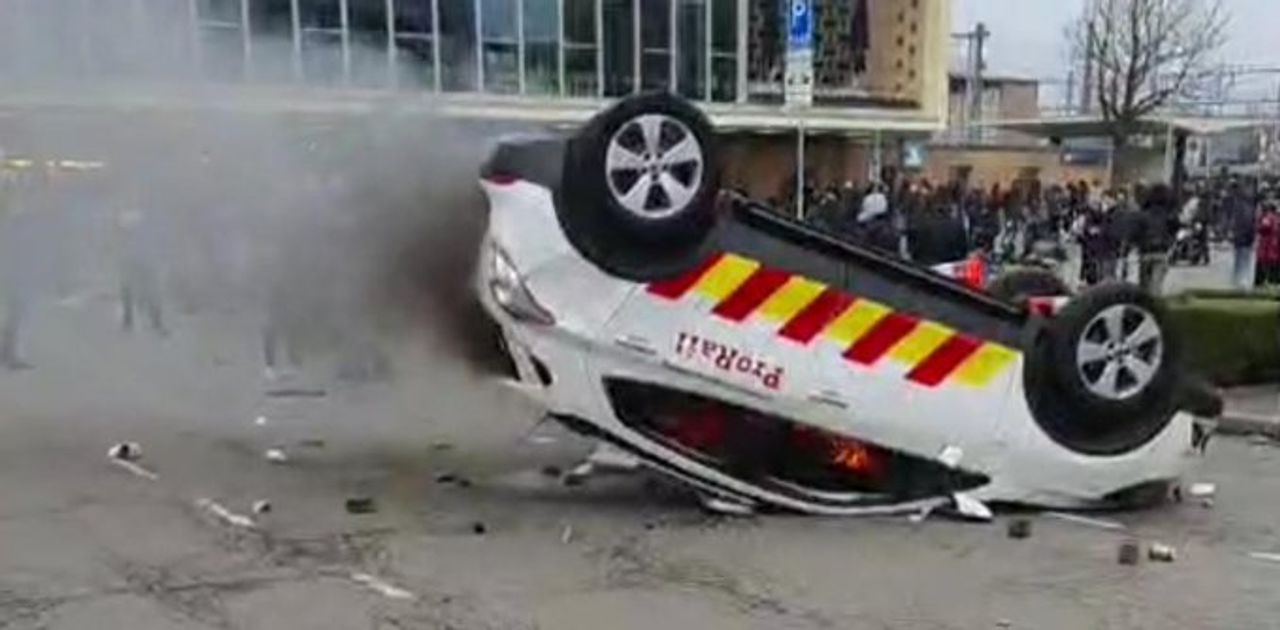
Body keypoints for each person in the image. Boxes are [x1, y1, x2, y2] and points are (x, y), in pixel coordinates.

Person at [1137, 184, 1177, 294]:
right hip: (1162, 252)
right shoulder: (1169, 215)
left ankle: (1144, 307)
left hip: (1145, 252)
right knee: (1156, 286)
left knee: (1144, 286)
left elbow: (1137, 232)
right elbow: (1174, 230)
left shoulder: (1143, 214)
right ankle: (1154, 306)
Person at [1227, 183, 1259, 288]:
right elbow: (1248, 222)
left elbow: (1252, 222)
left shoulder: (1246, 207)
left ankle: (1240, 279)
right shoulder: (1244, 207)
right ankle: (1240, 280)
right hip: (1243, 236)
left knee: (1242, 258)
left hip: (1244, 237)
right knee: (1242, 258)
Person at [1256, 200, 1280, 288]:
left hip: (1269, 245)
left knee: (1266, 263)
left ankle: (1264, 282)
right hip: (1272, 244)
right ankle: (1272, 282)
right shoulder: (1274, 217)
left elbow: (1262, 228)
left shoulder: (1268, 217)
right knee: (1272, 264)